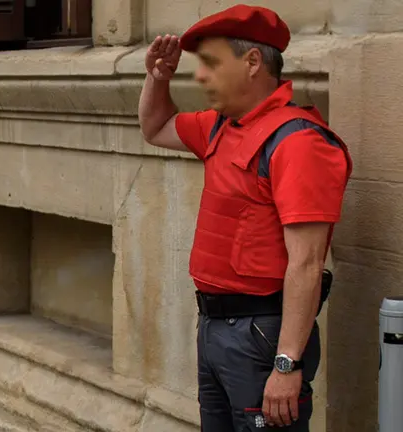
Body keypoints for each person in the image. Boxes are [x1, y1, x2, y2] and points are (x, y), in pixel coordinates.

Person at [138, 5, 352, 431]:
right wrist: (157, 78)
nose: (200, 77)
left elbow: (308, 264)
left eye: (212, 64)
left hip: (261, 334)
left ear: (253, 62)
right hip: (216, 327)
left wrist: (287, 365)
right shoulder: (221, 126)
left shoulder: (298, 142)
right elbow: (155, 126)